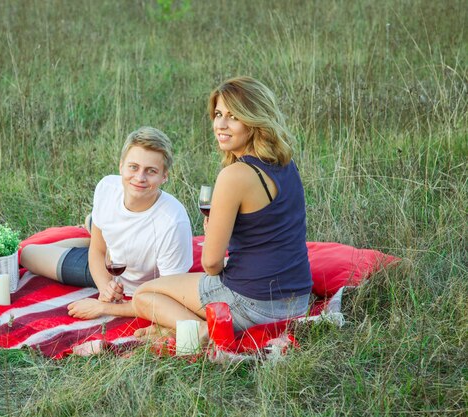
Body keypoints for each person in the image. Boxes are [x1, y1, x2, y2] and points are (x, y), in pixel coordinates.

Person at [132, 76, 312, 341]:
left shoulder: (235, 175)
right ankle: (183, 328)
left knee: (145, 294)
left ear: (254, 120)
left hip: (254, 303)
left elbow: (212, 264)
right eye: (218, 114)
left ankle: (202, 333)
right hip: (297, 300)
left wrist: (213, 238)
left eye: (233, 116)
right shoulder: (286, 164)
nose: (221, 125)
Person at [20, 126, 194, 319]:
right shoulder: (107, 187)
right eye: (133, 167)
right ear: (121, 166)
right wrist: (105, 287)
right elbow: (97, 251)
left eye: (151, 171)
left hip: (140, 288)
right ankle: (95, 227)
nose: (140, 177)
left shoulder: (173, 222)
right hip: (106, 268)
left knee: (96, 236)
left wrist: (103, 307)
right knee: (27, 254)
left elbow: (171, 298)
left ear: (164, 176)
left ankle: (94, 225)